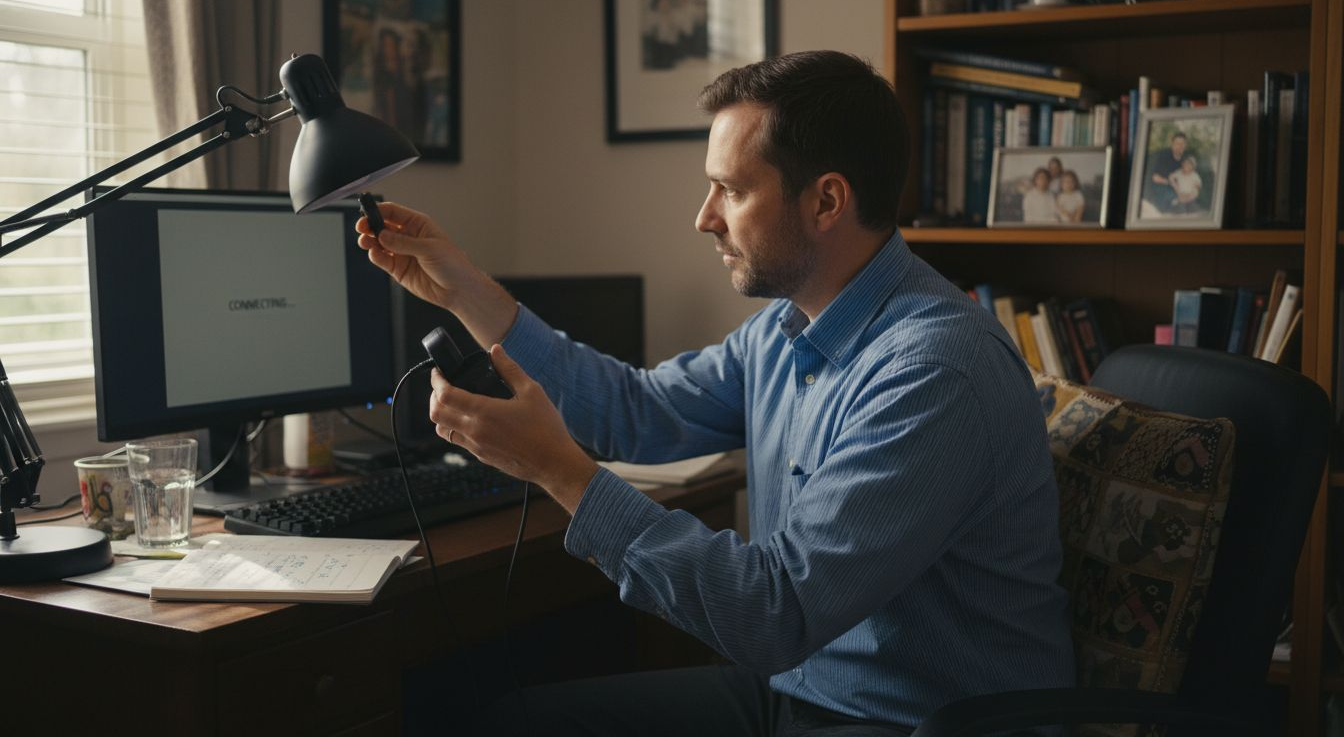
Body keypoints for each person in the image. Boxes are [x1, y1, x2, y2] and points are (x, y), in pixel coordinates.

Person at [357, 50, 1073, 736]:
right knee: (511, 723)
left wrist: (557, 469)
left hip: (915, 720)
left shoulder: (933, 371)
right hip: (798, 691)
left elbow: (773, 612)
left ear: (826, 200)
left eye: (730, 189)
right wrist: (467, 294)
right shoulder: (784, 331)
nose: (705, 217)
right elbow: (638, 412)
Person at [1145, 131, 1187, 213]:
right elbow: (1155, 178)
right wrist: (1169, 182)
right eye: (1177, 143)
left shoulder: (1185, 160)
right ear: (1172, 144)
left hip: (1176, 188)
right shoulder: (1164, 155)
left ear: (1185, 145)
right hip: (1160, 187)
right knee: (1175, 202)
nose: (1180, 146)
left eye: (1182, 144)